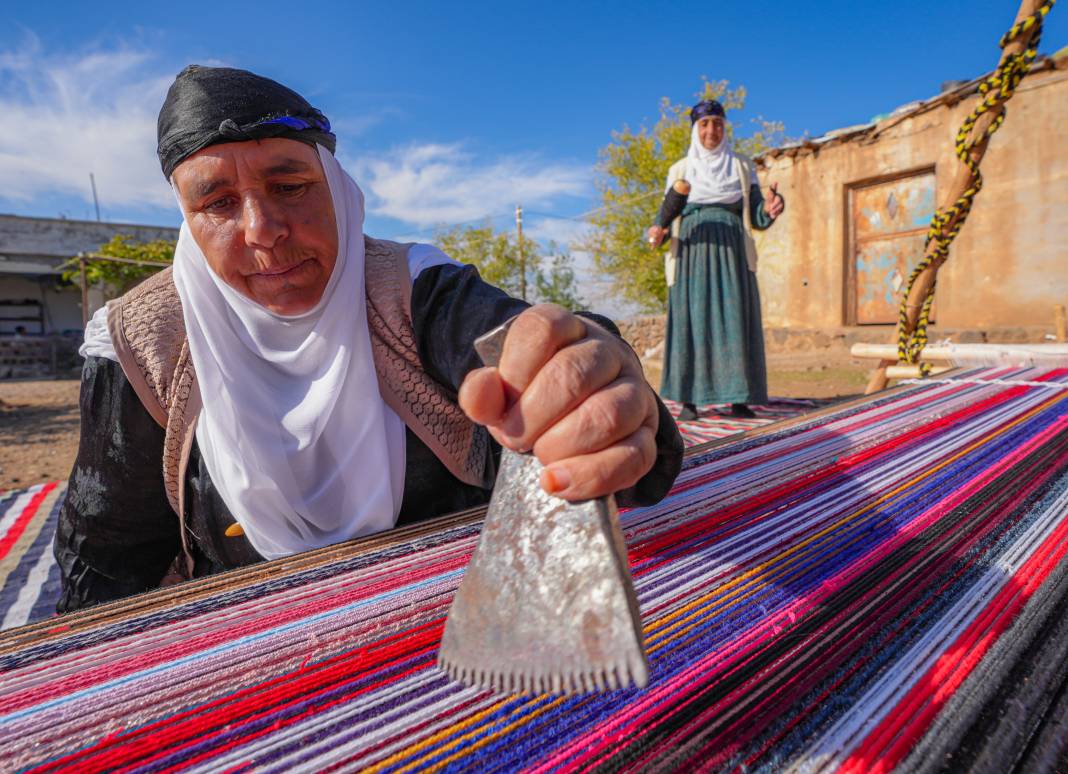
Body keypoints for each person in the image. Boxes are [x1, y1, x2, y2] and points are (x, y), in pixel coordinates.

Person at [54, 65, 683, 611]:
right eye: (217, 202)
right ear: (187, 221)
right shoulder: (141, 342)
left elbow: (513, 344)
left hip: (447, 627)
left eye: (290, 187)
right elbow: (108, 557)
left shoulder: (410, 288)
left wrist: (587, 381)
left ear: (338, 190)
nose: (263, 230)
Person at [647, 99, 784, 421]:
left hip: (733, 250)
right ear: (696, 130)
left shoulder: (741, 166)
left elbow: (758, 217)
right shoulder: (679, 171)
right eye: (705, 124)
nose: (712, 130)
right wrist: (658, 233)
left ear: (725, 129)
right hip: (692, 250)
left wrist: (773, 208)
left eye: (718, 124)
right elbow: (665, 220)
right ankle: (688, 400)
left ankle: (739, 398)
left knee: (735, 317)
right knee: (692, 320)